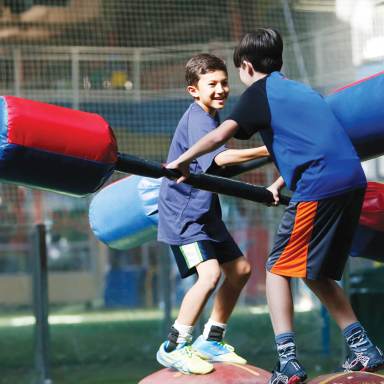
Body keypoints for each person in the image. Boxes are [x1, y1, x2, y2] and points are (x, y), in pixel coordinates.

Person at [165, 29, 384, 383]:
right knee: (315, 273)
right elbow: (310, 143)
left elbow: (222, 137)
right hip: (351, 181)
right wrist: (279, 183)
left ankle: (288, 362)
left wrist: (183, 160)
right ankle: (364, 347)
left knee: (276, 268)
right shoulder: (302, 91)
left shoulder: (258, 93)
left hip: (320, 186)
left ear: (246, 66)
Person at [156, 53, 270, 375]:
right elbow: (220, 159)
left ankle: (211, 339)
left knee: (242, 270)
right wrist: (267, 149)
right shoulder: (198, 119)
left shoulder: (211, 117)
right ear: (193, 90)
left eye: (224, 83)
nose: (221, 89)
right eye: (212, 84)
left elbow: (215, 165)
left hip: (205, 214)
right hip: (184, 217)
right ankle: (174, 346)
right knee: (209, 276)